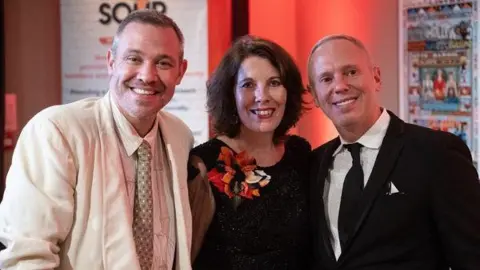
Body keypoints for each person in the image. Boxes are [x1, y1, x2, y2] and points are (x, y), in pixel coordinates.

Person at [0, 10, 194, 270]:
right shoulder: (57, 131)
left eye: (163, 63)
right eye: (134, 58)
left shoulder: (180, 136)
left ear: (181, 72)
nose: (147, 76)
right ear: (111, 62)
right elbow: (27, 256)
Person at [307, 34, 480, 270]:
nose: (340, 86)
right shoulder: (313, 164)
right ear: (315, 95)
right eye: (326, 78)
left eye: (351, 72)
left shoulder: (437, 154)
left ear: (376, 77)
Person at [187, 35, 312, 269]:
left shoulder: (299, 153)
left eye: (274, 82)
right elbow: (184, 256)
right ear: (229, 94)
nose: (262, 96)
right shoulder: (204, 164)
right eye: (248, 85)